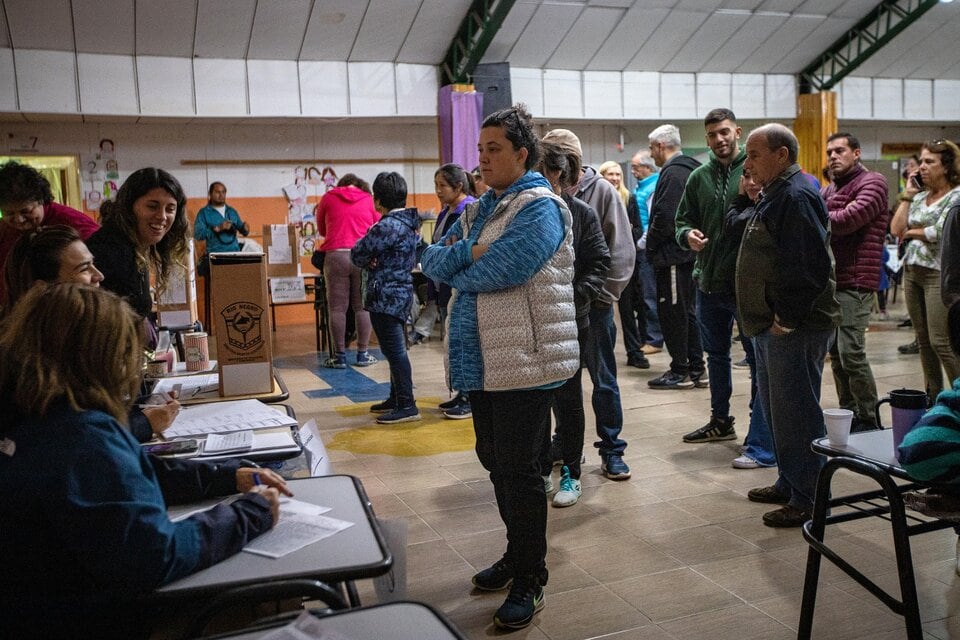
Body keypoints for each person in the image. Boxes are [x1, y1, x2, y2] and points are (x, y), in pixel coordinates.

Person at [0, 283, 285, 639]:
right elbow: (154, 556)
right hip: (92, 619)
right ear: (96, 359)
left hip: (43, 607)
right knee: (266, 604)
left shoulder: (35, 417)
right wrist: (250, 514)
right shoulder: (83, 439)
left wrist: (228, 477)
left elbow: (132, 471)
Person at [421, 104, 578, 630]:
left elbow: (502, 271)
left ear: (522, 154)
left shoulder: (540, 207)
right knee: (495, 461)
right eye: (480, 150)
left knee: (521, 470)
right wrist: (474, 250)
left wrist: (465, 261)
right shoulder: (481, 209)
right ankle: (516, 555)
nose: (482, 160)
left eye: (493, 150)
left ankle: (532, 578)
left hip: (526, 360)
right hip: (484, 359)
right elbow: (431, 260)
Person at [740, 123, 840, 528]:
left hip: (794, 327)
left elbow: (810, 265)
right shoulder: (778, 192)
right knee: (778, 410)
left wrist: (787, 317)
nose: (747, 165)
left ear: (781, 155)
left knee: (797, 411)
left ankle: (809, 497)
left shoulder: (796, 196)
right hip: (772, 324)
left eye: (754, 155)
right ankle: (790, 480)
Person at [1, 225, 180, 441]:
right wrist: (143, 424)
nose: (99, 275)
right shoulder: (26, 362)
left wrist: (139, 408)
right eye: (85, 268)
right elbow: (67, 441)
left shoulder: (71, 337)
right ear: (44, 288)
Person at [542, 129, 635, 481]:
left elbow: (620, 252)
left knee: (603, 381)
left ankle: (612, 449)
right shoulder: (542, 196)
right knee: (562, 385)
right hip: (557, 310)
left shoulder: (602, 193)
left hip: (593, 306)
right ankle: (565, 446)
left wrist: (599, 296)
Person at [538, 140, 610, 507]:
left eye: (544, 171)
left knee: (568, 399)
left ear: (559, 175)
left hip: (570, 320)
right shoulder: (521, 213)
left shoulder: (581, 212)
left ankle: (571, 471)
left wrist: (575, 296)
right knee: (536, 399)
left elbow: (599, 261)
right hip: (532, 324)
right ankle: (540, 468)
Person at [674, 108, 747, 447]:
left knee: (757, 359)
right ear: (706, 139)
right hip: (709, 282)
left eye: (725, 132)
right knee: (716, 355)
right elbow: (681, 221)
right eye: (713, 134)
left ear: (737, 132)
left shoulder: (752, 169)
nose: (720, 139)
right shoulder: (698, 177)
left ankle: (761, 427)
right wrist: (687, 235)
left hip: (746, 286)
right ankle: (721, 420)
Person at [821, 132, 889, 430]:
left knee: (852, 354)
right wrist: (828, 212)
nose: (833, 156)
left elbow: (849, 219)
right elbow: (829, 216)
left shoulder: (873, 182)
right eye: (829, 153)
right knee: (836, 355)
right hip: (833, 281)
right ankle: (849, 413)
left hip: (857, 279)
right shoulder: (828, 189)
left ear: (857, 153)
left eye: (840, 151)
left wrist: (824, 214)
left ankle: (868, 417)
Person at [86, 168, 190, 346]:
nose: (162, 217)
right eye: (152, 206)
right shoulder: (109, 249)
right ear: (129, 207)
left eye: (170, 209)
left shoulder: (135, 247)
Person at [891, 139, 960, 404]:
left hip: (938, 274)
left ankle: (957, 398)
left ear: (947, 166)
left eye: (929, 162)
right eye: (921, 161)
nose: (922, 167)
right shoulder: (919, 197)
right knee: (923, 342)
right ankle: (934, 401)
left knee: (941, 342)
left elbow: (941, 232)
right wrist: (908, 193)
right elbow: (896, 229)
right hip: (913, 271)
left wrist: (913, 232)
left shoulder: (956, 196)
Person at [351, 172, 421, 424]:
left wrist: (370, 258)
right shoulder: (408, 223)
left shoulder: (386, 226)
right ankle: (396, 397)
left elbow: (357, 254)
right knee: (393, 350)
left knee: (395, 351)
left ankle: (407, 404)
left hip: (385, 295)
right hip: (400, 293)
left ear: (378, 201)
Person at [410, 164, 477, 420]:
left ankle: (470, 397)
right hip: (443, 285)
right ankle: (461, 392)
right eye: (436, 185)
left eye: (442, 186)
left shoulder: (469, 210)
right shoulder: (446, 211)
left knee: (465, 341)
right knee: (453, 343)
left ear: (458, 186)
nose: (438, 191)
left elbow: (458, 249)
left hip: (460, 285)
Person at [723, 171, 777, 469]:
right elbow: (732, 224)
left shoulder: (783, 202)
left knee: (769, 381)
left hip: (773, 310)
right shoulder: (746, 206)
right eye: (745, 176)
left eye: (757, 174)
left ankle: (764, 448)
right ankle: (762, 444)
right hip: (754, 307)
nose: (751, 181)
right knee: (762, 376)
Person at [645, 124, 704, 389]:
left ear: (660, 146)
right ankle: (696, 369)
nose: (650, 154)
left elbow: (666, 217)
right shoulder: (690, 168)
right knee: (687, 313)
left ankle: (680, 371)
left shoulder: (674, 173)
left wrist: (651, 246)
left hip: (673, 256)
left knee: (674, 314)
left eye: (651, 148)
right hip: (684, 255)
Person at [0, 160, 99, 299]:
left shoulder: (75, 223)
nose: (18, 220)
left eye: (25, 211)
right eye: (9, 213)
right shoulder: (3, 229)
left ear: (41, 200)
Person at [315, 174, 381, 368]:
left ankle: (339, 357)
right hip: (361, 255)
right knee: (361, 307)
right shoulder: (368, 199)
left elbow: (321, 229)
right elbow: (376, 227)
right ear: (360, 185)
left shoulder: (328, 197)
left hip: (335, 255)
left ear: (341, 185)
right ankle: (362, 354)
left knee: (337, 308)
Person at [599, 160, 647, 370]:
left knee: (629, 311)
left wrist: (626, 232)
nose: (615, 178)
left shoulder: (631, 199)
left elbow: (638, 231)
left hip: (625, 263)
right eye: (610, 174)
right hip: (602, 264)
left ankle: (634, 352)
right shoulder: (598, 199)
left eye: (618, 174)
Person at [630, 150, 664, 353]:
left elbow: (652, 222)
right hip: (642, 246)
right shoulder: (643, 186)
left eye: (636, 167)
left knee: (649, 295)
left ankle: (654, 339)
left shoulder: (652, 187)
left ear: (647, 168)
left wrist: (640, 245)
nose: (633, 171)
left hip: (646, 248)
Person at [193, 181, 249, 254]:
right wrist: (218, 228)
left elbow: (243, 230)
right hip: (216, 256)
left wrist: (245, 229)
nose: (221, 195)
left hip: (235, 254)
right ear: (210, 194)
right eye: (217, 192)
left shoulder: (232, 211)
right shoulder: (204, 213)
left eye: (223, 192)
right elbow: (198, 235)